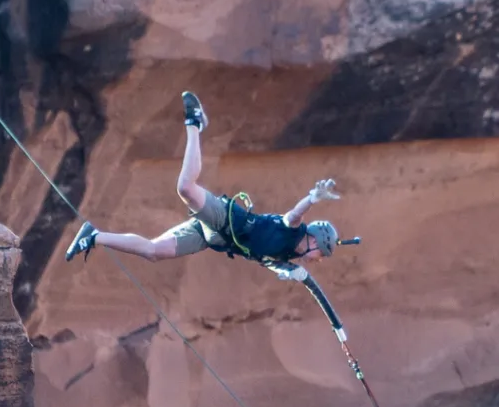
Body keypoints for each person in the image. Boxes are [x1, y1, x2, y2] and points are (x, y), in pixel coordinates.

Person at [65, 93, 350, 285]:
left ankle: (94, 236)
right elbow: (294, 215)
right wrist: (312, 198)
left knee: (154, 252)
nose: (318, 260)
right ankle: (195, 124)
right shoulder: (294, 231)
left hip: (212, 237)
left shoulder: (289, 254)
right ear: (313, 240)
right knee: (186, 188)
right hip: (225, 218)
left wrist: (286, 270)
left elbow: (266, 259)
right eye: (321, 254)